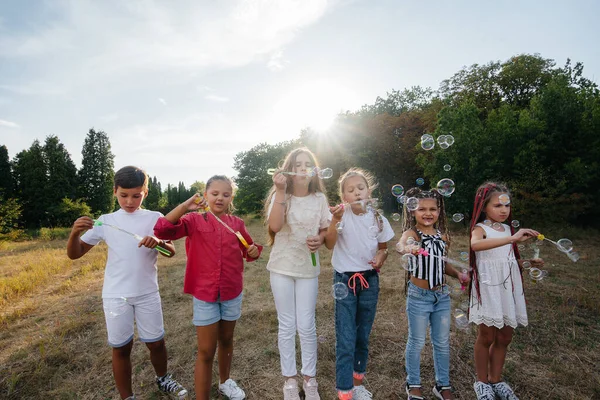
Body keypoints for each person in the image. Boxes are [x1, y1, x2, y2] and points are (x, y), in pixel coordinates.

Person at [67, 166, 186, 400]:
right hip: (115, 296)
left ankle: (163, 379)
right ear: (115, 191)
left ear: (146, 193)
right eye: (123, 195)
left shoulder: (155, 218)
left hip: (147, 293)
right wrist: (73, 234)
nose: (129, 201)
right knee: (121, 347)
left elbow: (171, 251)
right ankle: (127, 396)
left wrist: (158, 243)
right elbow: (75, 253)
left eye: (136, 195)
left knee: (156, 343)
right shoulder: (105, 221)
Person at [153, 175, 262, 400]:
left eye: (226, 194)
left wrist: (253, 251)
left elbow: (248, 248)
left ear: (231, 197)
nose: (220, 198)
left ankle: (225, 382)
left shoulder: (237, 224)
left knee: (227, 340)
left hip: (232, 292)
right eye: (214, 194)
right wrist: (185, 206)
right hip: (205, 295)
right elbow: (162, 230)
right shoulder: (193, 221)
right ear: (205, 194)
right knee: (205, 350)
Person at [264, 148, 331, 400]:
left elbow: (325, 229)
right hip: (281, 267)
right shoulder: (281, 195)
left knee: (306, 324)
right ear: (289, 170)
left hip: (307, 269)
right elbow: (275, 226)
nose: (303, 168)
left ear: (314, 170)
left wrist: (320, 238)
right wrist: (280, 191)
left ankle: (309, 378)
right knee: (287, 324)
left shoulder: (320, 199)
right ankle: (290, 379)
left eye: (307, 164)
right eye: (297, 164)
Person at [468, 182, 543, 400]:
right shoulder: (480, 229)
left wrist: (529, 262)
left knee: (505, 336)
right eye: (497, 205)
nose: (503, 210)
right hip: (489, 286)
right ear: (484, 207)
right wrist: (512, 238)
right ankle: (481, 382)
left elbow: (509, 261)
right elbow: (475, 246)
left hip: (507, 288)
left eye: (507, 205)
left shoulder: (509, 230)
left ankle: (496, 379)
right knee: (487, 335)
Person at [325, 168, 395, 400]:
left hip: (369, 280)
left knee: (363, 335)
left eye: (360, 188)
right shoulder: (340, 216)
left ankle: (357, 384)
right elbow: (329, 243)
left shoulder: (378, 218)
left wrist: (380, 259)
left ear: (369, 190)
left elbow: (384, 248)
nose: (356, 193)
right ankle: (344, 390)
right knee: (346, 337)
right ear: (344, 195)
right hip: (345, 281)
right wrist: (334, 220)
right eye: (350, 190)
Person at [397, 188, 470, 400]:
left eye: (432, 209)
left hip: (442, 296)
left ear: (439, 211)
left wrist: (458, 274)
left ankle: (443, 385)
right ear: (412, 212)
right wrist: (408, 249)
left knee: (441, 342)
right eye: (422, 209)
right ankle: (414, 385)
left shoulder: (443, 237)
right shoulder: (412, 235)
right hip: (419, 296)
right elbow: (400, 245)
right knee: (417, 341)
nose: (428, 213)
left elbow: (441, 265)